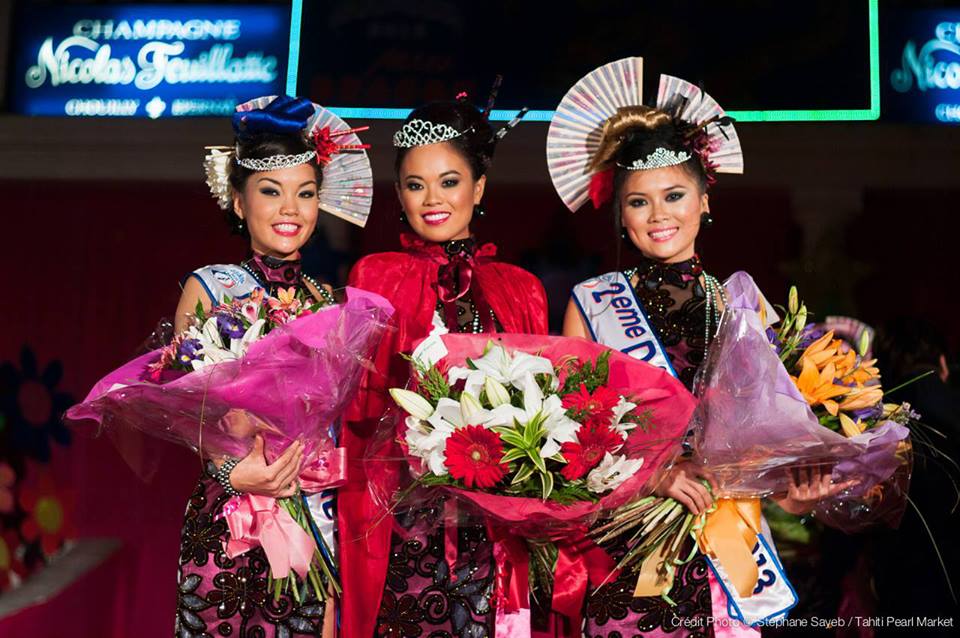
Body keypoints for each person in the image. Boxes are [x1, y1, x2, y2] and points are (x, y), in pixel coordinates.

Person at [551, 58, 846, 636]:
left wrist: (797, 497)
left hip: (732, 553)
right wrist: (653, 475)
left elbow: (766, 458)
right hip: (629, 550)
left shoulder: (746, 308)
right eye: (639, 202)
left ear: (705, 200)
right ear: (620, 216)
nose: (659, 215)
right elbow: (568, 436)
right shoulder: (591, 303)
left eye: (675, 195)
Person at [338, 87, 549, 638]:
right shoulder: (374, 276)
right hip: (401, 518)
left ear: (478, 188)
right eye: (415, 184)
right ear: (400, 196)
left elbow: (547, 407)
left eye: (449, 181)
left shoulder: (522, 288)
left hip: (497, 520)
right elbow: (358, 406)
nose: (432, 198)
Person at [173, 95, 372, 638]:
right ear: (238, 202)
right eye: (271, 191)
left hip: (311, 520)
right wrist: (229, 470)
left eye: (305, 193)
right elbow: (184, 407)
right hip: (231, 518)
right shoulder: (211, 288)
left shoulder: (332, 306)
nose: (291, 208)